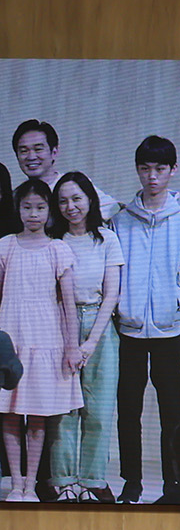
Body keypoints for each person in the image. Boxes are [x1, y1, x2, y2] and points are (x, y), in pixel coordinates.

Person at [112, 134, 180, 502]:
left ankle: (173, 483)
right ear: (137, 170)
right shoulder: (121, 220)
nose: (152, 176)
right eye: (145, 168)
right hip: (129, 333)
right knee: (128, 413)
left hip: (170, 333)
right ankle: (131, 482)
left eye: (160, 168)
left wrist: (172, 300)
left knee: (172, 414)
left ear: (173, 170)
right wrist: (123, 305)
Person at [0, 178, 81, 503]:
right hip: (11, 341)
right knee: (8, 414)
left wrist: (72, 346)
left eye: (40, 207)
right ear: (18, 209)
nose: (33, 214)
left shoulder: (58, 249)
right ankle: (15, 483)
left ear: (49, 211)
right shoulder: (5, 246)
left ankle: (31, 484)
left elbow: (69, 304)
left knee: (37, 415)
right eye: (27, 207)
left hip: (46, 340)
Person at [50, 172, 123, 502]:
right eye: (63, 201)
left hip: (100, 324)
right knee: (64, 410)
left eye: (77, 198)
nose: (70, 206)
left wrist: (91, 342)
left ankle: (92, 482)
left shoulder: (106, 239)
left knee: (99, 409)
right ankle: (64, 482)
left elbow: (111, 294)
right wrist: (70, 343)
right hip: (60, 322)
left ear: (91, 200)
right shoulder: (54, 241)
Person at [12, 120, 59, 186]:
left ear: (54, 152)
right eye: (24, 151)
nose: (31, 157)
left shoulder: (70, 188)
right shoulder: (17, 192)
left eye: (38, 149)